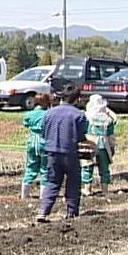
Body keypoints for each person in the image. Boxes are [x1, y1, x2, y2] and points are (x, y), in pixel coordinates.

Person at [36, 83, 88, 222]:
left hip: (52, 152)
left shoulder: (49, 113)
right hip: (70, 153)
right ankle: (71, 212)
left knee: (52, 182)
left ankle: (43, 211)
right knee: (73, 182)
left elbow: (44, 133)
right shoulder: (79, 115)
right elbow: (82, 136)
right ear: (76, 100)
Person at [81, 94, 117, 196]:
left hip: (88, 144)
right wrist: (112, 147)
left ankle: (87, 189)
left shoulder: (86, 117)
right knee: (104, 168)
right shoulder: (108, 119)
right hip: (103, 145)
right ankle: (105, 190)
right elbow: (110, 135)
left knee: (87, 166)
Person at [21, 93, 51, 199]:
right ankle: (43, 195)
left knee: (31, 167)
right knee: (45, 169)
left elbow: (25, 123)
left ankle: (24, 194)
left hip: (32, 141)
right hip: (45, 142)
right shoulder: (48, 114)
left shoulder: (30, 114)